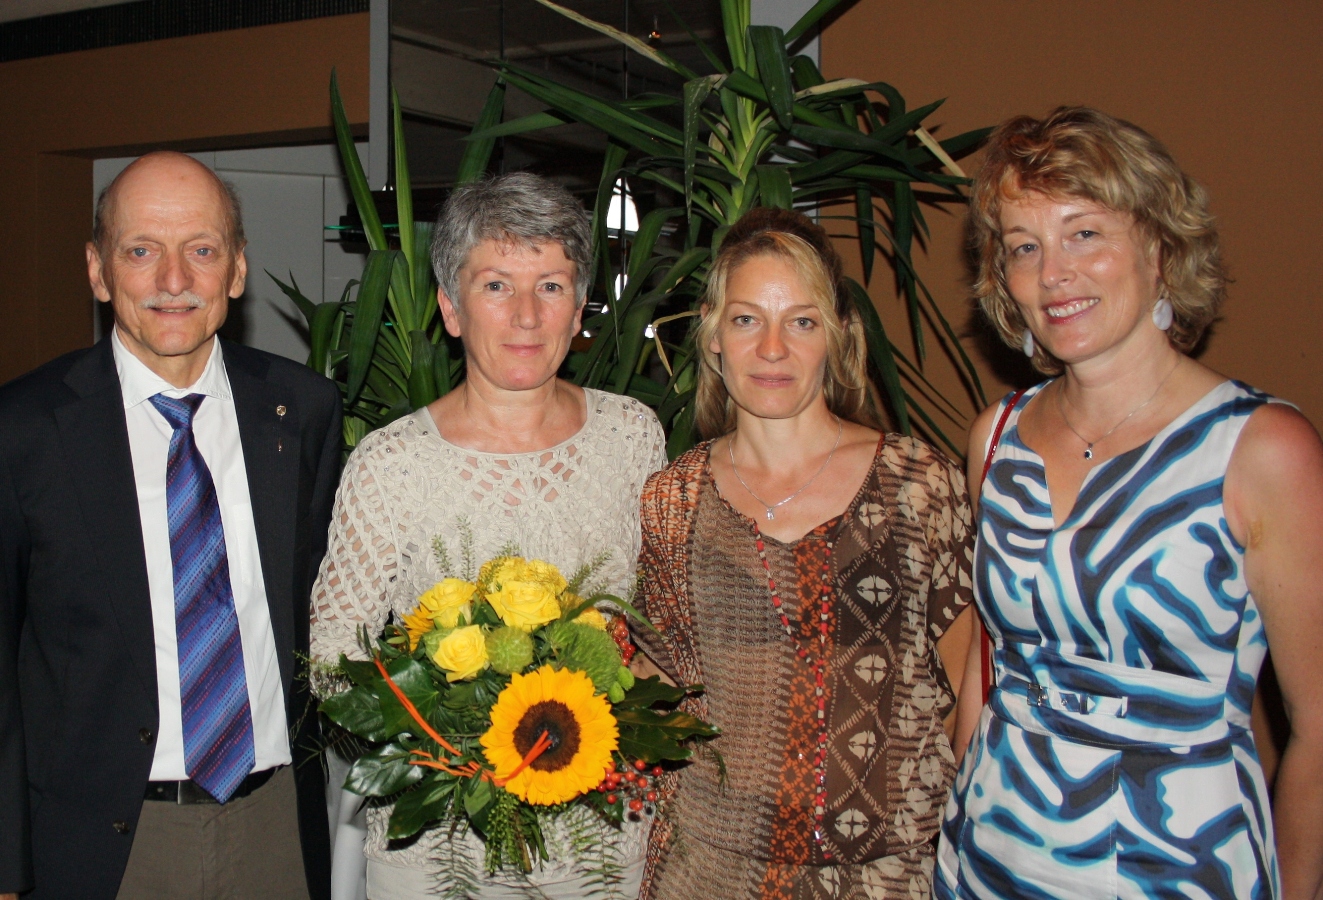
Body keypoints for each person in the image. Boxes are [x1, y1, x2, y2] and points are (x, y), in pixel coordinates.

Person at [936, 107, 1323, 899]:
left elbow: (1318, 726)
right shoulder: (995, 436)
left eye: (1084, 234)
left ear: (1158, 248)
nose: (1053, 273)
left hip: (1178, 866)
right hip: (987, 861)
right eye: (1023, 247)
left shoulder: (1259, 449)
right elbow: (991, 662)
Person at [309, 171, 668, 899]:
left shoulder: (632, 436)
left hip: (601, 838)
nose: (527, 316)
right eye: (497, 286)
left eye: (551, 286)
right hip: (442, 843)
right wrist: (456, 728)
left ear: (578, 310)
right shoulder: (392, 463)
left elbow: (664, 621)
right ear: (450, 308)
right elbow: (331, 659)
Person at [0, 152, 341, 900]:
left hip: (275, 828)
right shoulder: (23, 429)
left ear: (237, 269)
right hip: (102, 842)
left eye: (202, 250)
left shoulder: (303, 411)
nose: (174, 279)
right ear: (98, 271)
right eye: (141, 251)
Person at [634, 207, 977, 900]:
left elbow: (971, 691)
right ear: (713, 335)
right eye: (746, 319)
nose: (771, 349)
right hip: (708, 872)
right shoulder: (672, 501)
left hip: (886, 875)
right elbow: (657, 695)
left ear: (837, 335)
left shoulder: (919, 486)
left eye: (801, 321)